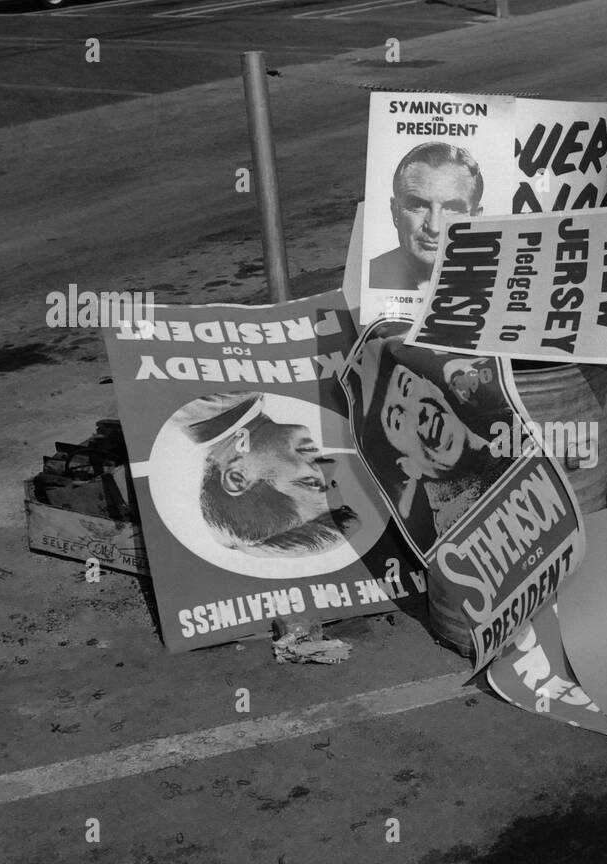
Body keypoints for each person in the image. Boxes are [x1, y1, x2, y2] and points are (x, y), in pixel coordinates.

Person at [348, 331, 514, 555]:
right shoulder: (458, 527)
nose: (420, 412)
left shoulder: (509, 425)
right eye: (398, 420)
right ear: (406, 466)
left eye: (407, 386)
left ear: (433, 386)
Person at [178, 392, 360, 556]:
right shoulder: (213, 408)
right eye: (333, 482)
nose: (330, 465)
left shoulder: (226, 392)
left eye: (311, 482)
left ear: (238, 478)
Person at [368, 142, 485, 292]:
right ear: (395, 212)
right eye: (418, 206)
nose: (434, 227)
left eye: (452, 208)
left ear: (476, 217)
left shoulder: (498, 282)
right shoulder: (368, 277)